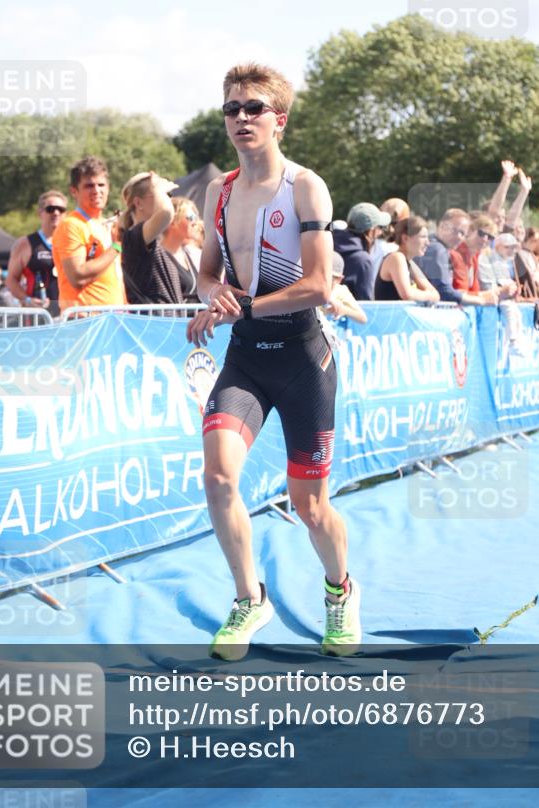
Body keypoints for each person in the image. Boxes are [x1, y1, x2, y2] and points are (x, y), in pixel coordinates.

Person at [186, 61, 360, 660]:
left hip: (303, 360)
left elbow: (317, 283)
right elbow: (207, 272)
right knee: (217, 478)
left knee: (309, 506)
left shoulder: (305, 187)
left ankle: (339, 591)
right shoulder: (219, 191)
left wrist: (245, 308)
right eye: (231, 108)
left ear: (278, 120)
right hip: (246, 363)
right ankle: (249, 598)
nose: (240, 118)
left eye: (253, 108)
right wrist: (214, 296)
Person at [51, 157, 126, 311]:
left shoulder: (107, 226)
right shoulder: (71, 225)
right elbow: (78, 276)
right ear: (74, 191)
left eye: (101, 185)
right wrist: (116, 246)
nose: (96, 191)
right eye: (89, 186)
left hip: (113, 318)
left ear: (108, 188)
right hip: (84, 320)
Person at [119, 171, 195, 305]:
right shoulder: (133, 238)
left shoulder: (147, 239)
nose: (168, 200)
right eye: (164, 195)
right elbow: (166, 213)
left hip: (162, 323)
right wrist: (157, 187)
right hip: (152, 324)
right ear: (138, 203)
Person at [413, 209, 497, 306]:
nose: (459, 237)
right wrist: (482, 300)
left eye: (462, 234)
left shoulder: (441, 249)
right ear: (442, 226)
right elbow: (444, 293)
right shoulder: (437, 249)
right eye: (455, 231)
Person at [5, 191, 67, 315]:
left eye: (60, 209)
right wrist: (27, 299)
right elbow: (11, 280)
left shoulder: (72, 242)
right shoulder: (25, 244)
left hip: (68, 315)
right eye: (50, 209)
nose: (56, 213)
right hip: (37, 316)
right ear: (40, 213)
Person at [333, 202, 391, 300]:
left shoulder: (328, 249)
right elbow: (367, 305)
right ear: (371, 231)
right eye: (380, 227)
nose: (381, 232)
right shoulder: (363, 261)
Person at [374, 216, 440, 302]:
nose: (427, 243)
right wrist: (428, 296)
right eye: (423, 237)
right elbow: (407, 294)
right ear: (405, 238)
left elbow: (435, 294)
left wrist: (423, 295)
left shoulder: (411, 263)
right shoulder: (397, 258)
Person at [159, 198, 202, 303]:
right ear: (172, 222)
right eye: (191, 217)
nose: (195, 222)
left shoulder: (187, 253)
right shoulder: (159, 257)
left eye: (196, 217)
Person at [322, 251, 368, 324]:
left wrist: (344, 309)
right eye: (322, 275)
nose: (325, 280)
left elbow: (363, 319)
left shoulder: (341, 291)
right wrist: (328, 299)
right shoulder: (312, 289)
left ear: (339, 279)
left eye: (330, 278)